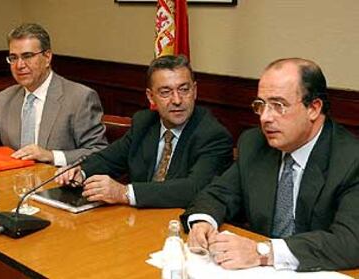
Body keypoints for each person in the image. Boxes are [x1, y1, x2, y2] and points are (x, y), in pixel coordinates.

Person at [181, 58, 359, 272]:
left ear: (313, 108)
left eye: (278, 106)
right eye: (261, 105)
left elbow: (349, 242)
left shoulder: (351, 160)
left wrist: (263, 252)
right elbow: (217, 194)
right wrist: (203, 222)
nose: (265, 117)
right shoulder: (255, 143)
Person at [55, 55, 234, 208]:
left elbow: (194, 188)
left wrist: (124, 193)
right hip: (141, 219)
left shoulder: (213, 135)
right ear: (151, 96)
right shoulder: (145, 122)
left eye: (184, 90)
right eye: (166, 92)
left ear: (195, 91)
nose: (177, 100)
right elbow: (109, 158)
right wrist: (80, 172)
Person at [0, 23, 107, 166]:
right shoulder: (5, 98)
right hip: (13, 182)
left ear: (47, 57)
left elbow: (99, 152)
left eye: (27, 56)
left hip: (57, 184)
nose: (19, 65)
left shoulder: (79, 98)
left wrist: (51, 156)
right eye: (13, 58)